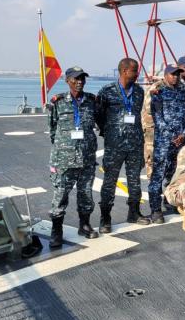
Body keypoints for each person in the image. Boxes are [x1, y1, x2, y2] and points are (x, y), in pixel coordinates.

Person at [95, 58, 150, 233]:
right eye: (134, 71)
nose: (137, 74)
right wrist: (109, 130)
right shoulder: (107, 91)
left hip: (135, 144)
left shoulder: (139, 92)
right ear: (124, 71)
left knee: (134, 182)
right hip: (114, 145)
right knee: (109, 182)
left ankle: (134, 213)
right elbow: (99, 114)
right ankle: (105, 218)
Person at [47, 66, 99, 248]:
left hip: (86, 158)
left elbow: (97, 123)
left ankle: (84, 225)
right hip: (64, 159)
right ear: (67, 80)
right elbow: (52, 130)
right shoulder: (57, 102)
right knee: (60, 194)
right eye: (76, 79)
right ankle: (56, 231)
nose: (80, 82)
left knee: (86, 194)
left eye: (82, 79)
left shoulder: (92, 101)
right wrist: (64, 148)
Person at [149, 65, 185, 223]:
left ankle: (170, 202)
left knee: (175, 173)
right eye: (172, 74)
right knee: (158, 175)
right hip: (164, 141)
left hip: (182, 141)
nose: (175, 77)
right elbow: (157, 117)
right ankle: (155, 210)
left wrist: (184, 134)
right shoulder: (159, 92)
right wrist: (171, 136)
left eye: (177, 74)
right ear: (165, 75)